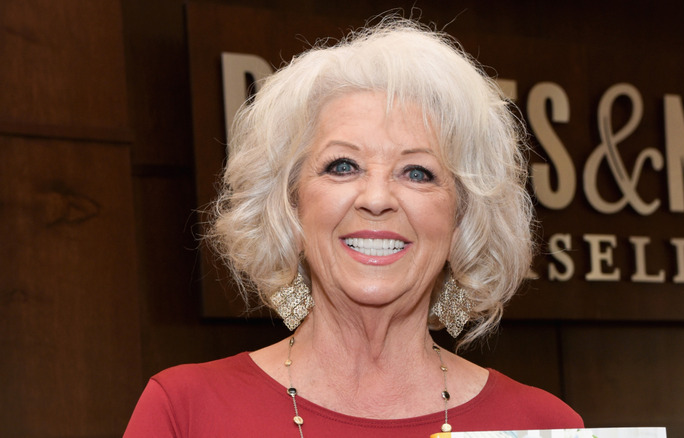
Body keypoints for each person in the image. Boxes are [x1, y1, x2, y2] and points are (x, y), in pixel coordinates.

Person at [124, 17, 583, 438]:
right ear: (289, 205)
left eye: (417, 172)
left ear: (463, 218)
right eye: (343, 166)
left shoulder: (544, 426)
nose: (377, 198)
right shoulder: (185, 412)